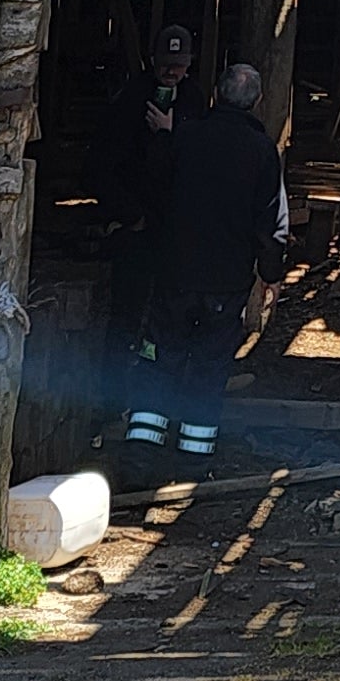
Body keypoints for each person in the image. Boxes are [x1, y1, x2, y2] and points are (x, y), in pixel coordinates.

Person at [114, 55, 289, 474]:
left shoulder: (186, 138)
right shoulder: (262, 152)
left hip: (175, 273)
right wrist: (271, 275)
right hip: (225, 283)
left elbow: (154, 189)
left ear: (214, 95)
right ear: (258, 101)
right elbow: (271, 223)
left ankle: (140, 456)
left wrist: (162, 138)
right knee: (209, 366)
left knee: (159, 358)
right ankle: (193, 461)